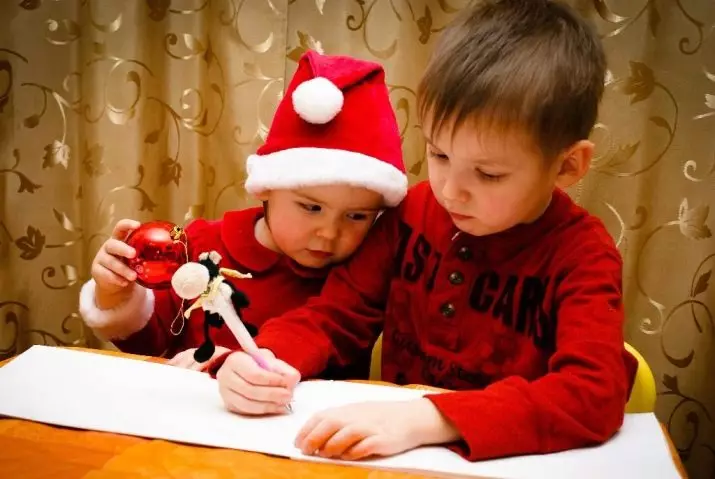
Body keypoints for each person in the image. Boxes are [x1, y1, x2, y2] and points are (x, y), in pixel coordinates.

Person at [210, 0, 639, 463]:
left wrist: (431, 419)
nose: (451, 191)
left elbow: (593, 394)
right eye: (438, 155)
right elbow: (336, 315)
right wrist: (265, 361)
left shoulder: (583, 255)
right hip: (395, 460)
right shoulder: (414, 212)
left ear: (568, 165)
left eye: (489, 174)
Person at [78, 50, 408, 377]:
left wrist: (238, 363)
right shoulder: (203, 245)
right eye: (311, 207)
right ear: (266, 187)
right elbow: (149, 343)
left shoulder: (362, 273)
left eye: (357, 216)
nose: (329, 232)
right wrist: (116, 294)